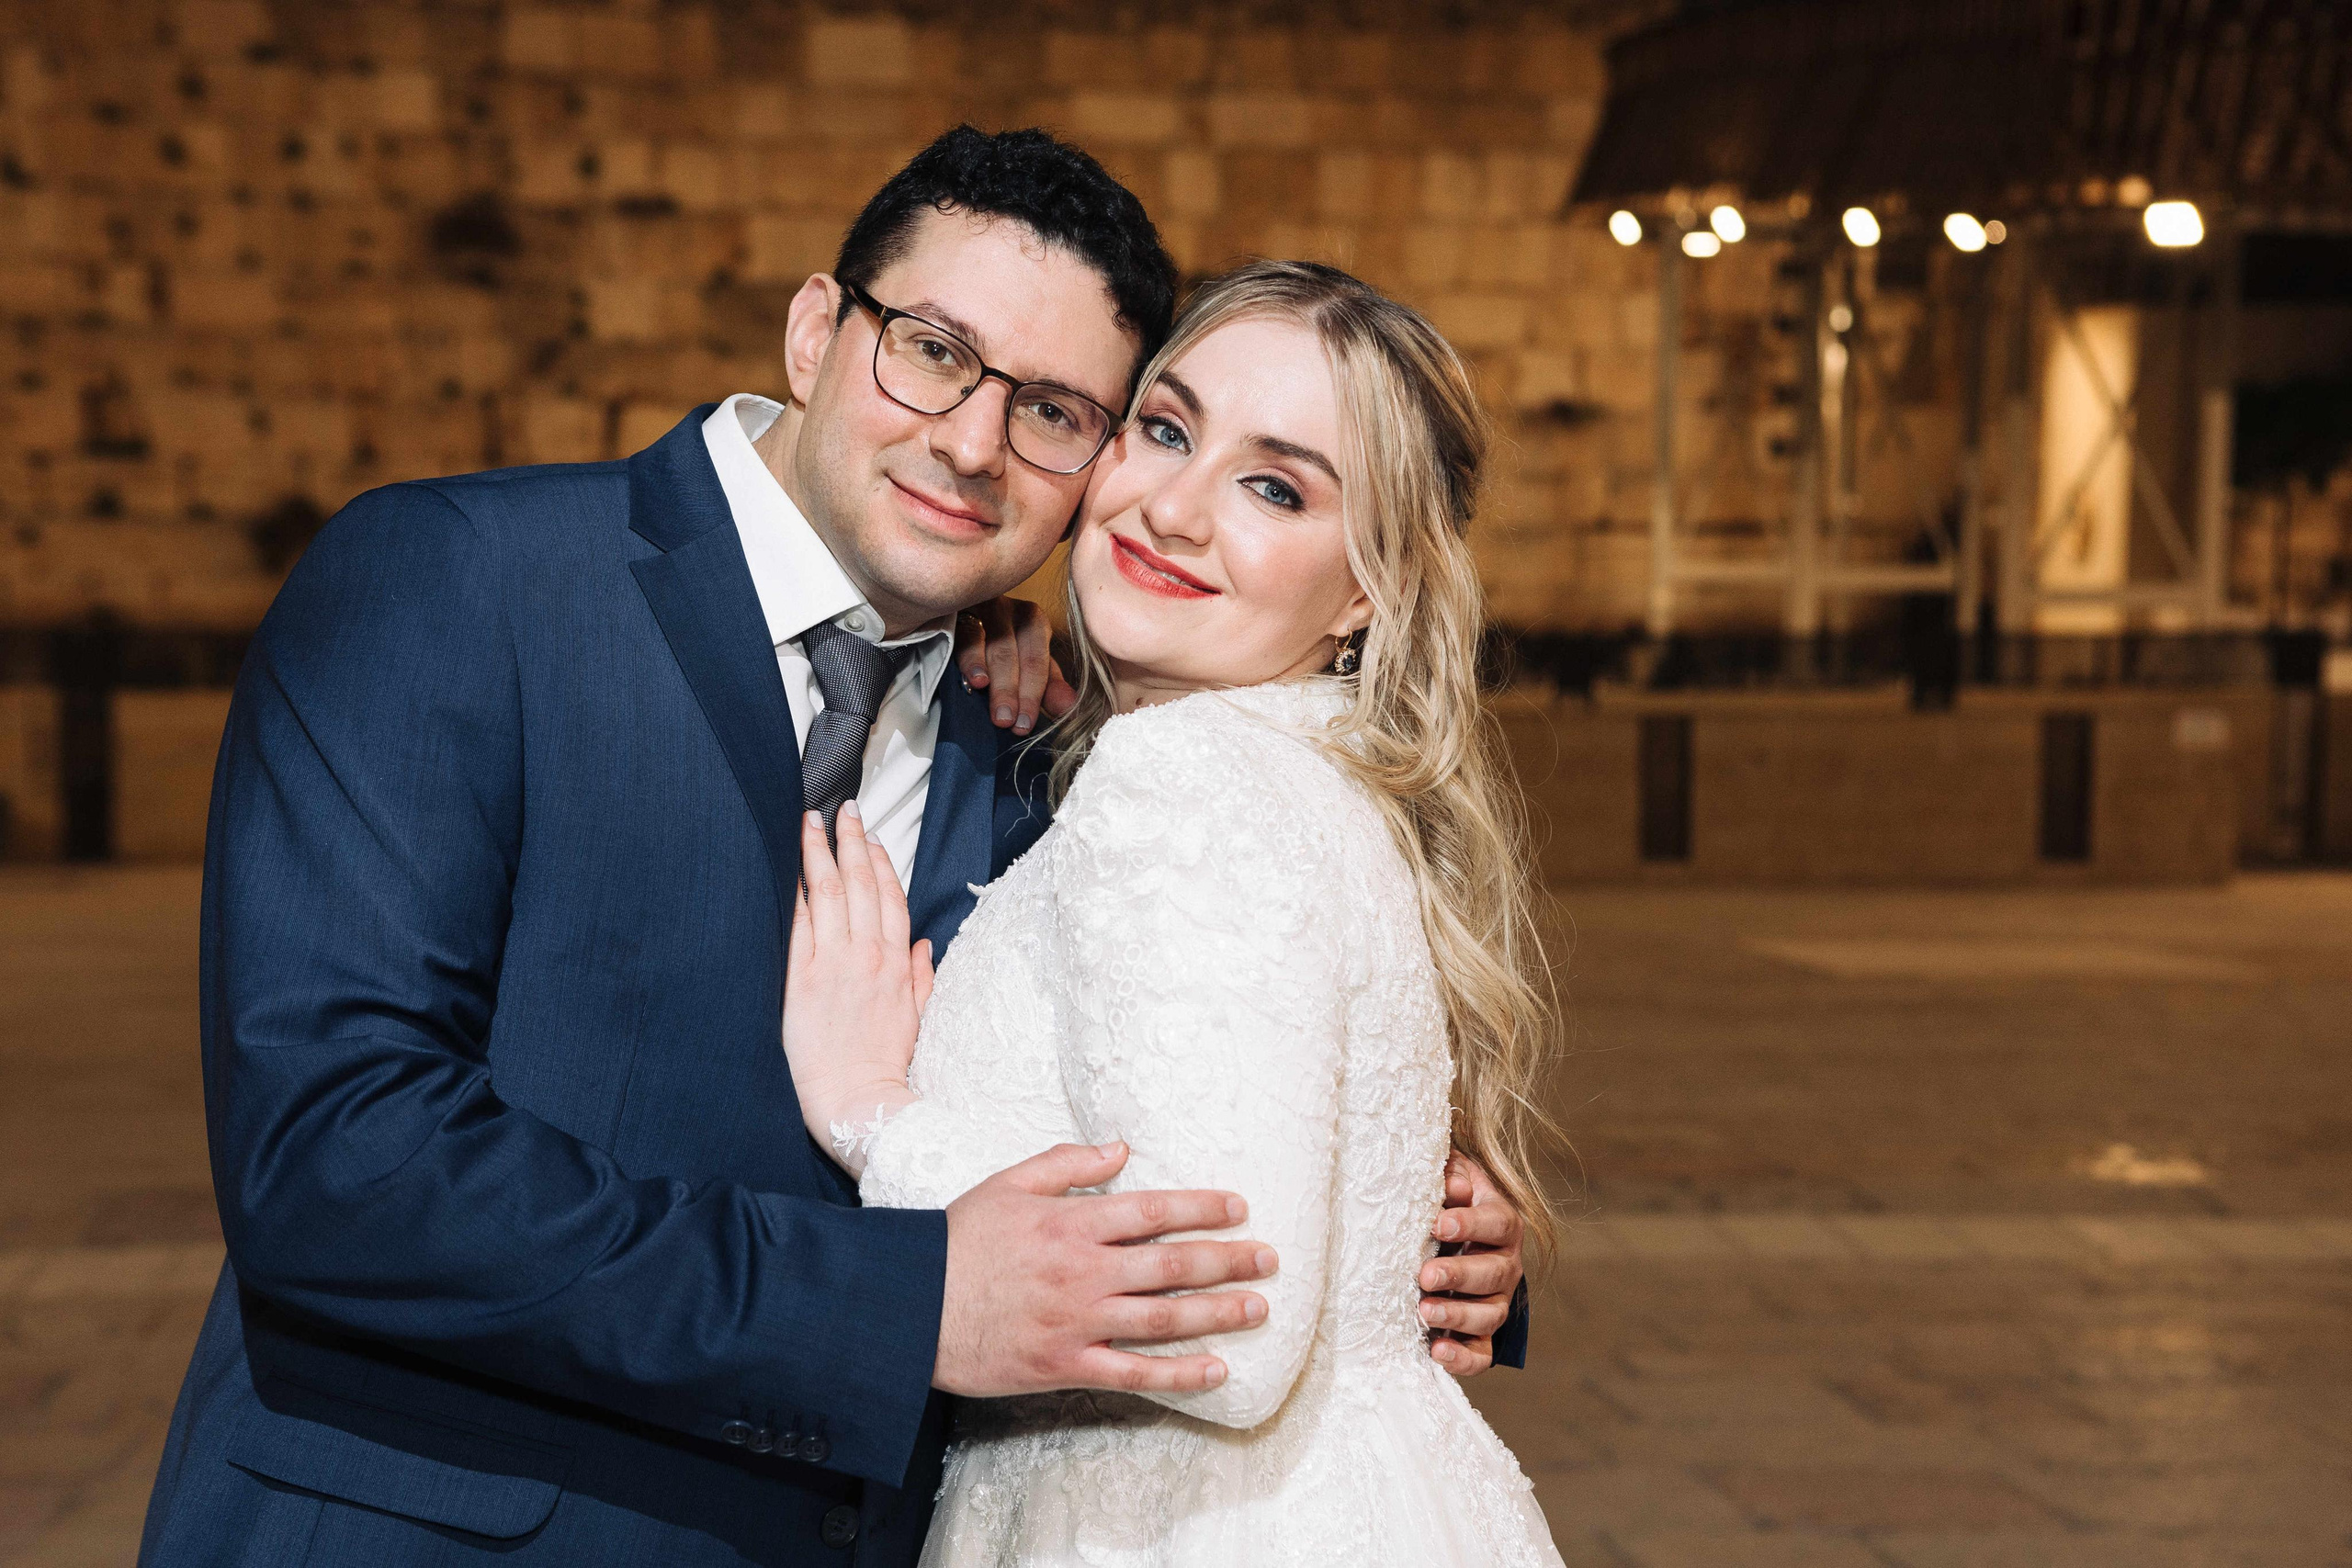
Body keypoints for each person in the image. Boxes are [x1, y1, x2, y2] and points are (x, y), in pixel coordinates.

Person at [140, 129, 1527, 1568]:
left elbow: (1178, 1109)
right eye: (932, 351)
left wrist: (1412, 1228)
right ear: (816, 331)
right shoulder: (458, 581)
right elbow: (338, 1160)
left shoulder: (1053, 746)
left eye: (1056, 410)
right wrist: (907, 1306)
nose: (975, 441)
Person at [780, 259, 1568, 1565]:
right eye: (1165, 428)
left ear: (1371, 588)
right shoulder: (1302, 772)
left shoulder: (1187, 777)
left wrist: (875, 1114)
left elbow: (1231, 1330)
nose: (1174, 508)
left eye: (1275, 487)